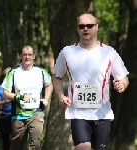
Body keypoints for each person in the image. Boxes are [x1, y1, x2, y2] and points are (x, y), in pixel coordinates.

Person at [52, 13, 129, 150]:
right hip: (78, 113)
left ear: (97, 27)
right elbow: (57, 76)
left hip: (102, 113)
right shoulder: (67, 52)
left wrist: (122, 84)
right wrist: (61, 96)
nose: (85, 29)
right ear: (78, 29)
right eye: (82, 26)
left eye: (89, 25)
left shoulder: (109, 52)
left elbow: (123, 77)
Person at [1, 45, 53, 150]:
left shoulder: (41, 71)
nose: (27, 57)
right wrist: (19, 97)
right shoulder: (13, 72)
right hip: (18, 115)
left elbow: (49, 84)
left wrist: (46, 98)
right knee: (17, 146)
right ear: (20, 56)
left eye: (30, 55)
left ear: (34, 56)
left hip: (37, 112)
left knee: (35, 145)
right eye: (25, 54)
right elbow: (5, 93)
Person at [0, 67, 12, 150]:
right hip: (3, 117)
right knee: (6, 142)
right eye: (7, 76)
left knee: (17, 140)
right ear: (3, 77)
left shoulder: (16, 87)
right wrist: (5, 101)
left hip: (15, 116)